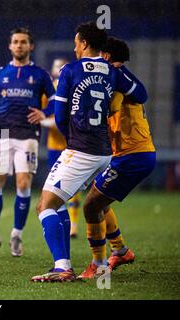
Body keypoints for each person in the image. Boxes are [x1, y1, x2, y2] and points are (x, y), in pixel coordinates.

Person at [31, 22, 147, 282]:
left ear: (83, 43)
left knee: (44, 206)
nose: (74, 47)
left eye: (76, 42)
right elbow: (141, 93)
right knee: (79, 203)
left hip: (81, 150)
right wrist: (118, 72)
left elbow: (60, 115)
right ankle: (103, 256)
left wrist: (72, 139)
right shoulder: (112, 71)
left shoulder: (70, 70)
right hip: (105, 152)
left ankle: (63, 268)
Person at [78, 37, 156, 278]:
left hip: (132, 156)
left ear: (107, 57)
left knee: (91, 206)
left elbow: (131, 98)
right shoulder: (115, 78)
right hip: (128, 154)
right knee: (98, 199)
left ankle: (98, 264)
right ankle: (120, 250)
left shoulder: (116, 76)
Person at [0, 28, 56, 258]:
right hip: (2, 134)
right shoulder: (0, 73)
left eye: (23, 42)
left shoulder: (40, 74)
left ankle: (16, 235)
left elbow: (55, 100)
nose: (19, 45)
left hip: (28, 135)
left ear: (31, 46)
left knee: (23, 184)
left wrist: (43, 113)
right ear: (10, 46)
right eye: (15, 42)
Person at [40, 58, 82, 238]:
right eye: (55, 66)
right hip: (53, 147)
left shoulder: (74, 89)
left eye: (61, 67)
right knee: (57, 187)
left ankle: (73, 223)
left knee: (73, 187)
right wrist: (46, 120)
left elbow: (66, 119)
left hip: (72, 146)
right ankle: (65, 221)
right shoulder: (48, 93)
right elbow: (43, 114)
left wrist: (49, 122)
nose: (58, 70)